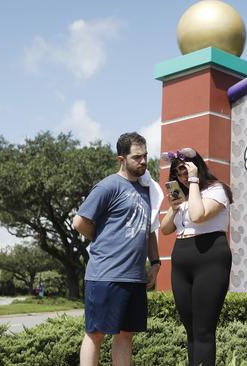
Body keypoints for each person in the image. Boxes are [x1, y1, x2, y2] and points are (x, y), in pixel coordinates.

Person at [72, 132, 163, 366]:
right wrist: (103, 239)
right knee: (96, 334)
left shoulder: (147, 189)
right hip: (105, 276)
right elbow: (79, 222)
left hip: (134, 279)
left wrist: (155, 264)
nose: (143, 161)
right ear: (121, 159)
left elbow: (150, 229)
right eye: (137, 157)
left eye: (145, 156)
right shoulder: (108, 186)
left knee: (125, 335)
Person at [159, 147, 233, 366]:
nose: (181, 176)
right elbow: (164, 229)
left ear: (197, 167)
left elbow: (198, 215)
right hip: (182, 259)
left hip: (210, 256)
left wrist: (192, 181)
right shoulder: (184, 197)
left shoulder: (216, 189)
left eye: (185, 170)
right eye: (177, 173)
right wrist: (173, 208)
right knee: (190, 329)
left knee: (203, 330)